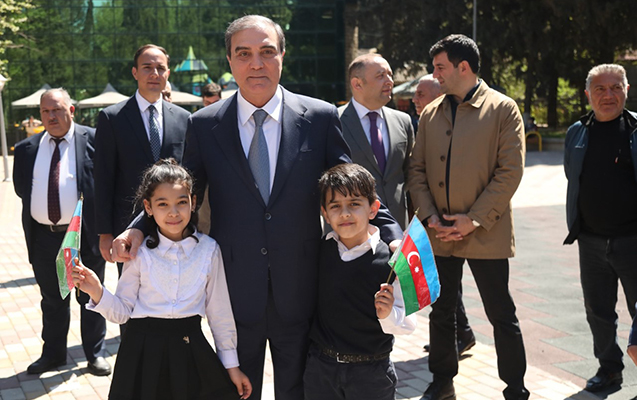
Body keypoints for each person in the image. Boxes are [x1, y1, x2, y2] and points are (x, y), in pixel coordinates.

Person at [112, 15, 403, 400]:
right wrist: (138, 228)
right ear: (230, 61)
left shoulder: (319, 117)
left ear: (282, 55)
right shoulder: (205, 124)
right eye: (244, 54)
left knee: (296, 392)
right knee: (239, 391)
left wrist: (394, 235)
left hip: (301, 288)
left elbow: (353, 185)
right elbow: (181, 188)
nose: (256, 64)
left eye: (267, 52)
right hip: (235, 290)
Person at [408, 34, 528, 400]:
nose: (435, 74)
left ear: (463, 67)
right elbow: (417, 170)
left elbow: (510, 172)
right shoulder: (431, 113)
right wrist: (431, 218)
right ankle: (442, 382)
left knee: (501, 313)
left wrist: (472, 220)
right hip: (439, 234)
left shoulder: (503, 109)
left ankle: (515, 389)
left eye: (440, 67)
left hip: (485, 232)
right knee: (441, 312)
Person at [72, 159, 251, 399]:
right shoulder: (139, 254)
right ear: (148, 207)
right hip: (141, 356)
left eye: (181, 202)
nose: (173, 212)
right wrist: (97, 290)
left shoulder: (209, 250)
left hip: (191, 354)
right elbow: (122, 312)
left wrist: (232, 365)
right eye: (163, 204)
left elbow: (220, 314)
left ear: (193, 202)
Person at [12, 88, 111, 376]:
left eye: (57, 109)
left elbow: (107, 185)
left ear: (71, 110)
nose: (51, 116)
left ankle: (95, 354)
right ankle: (53, 355)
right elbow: (22, 189)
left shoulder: (95, 140)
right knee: (52, 300)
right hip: (44, 237)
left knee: (90, 296)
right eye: (45, 111)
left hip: (84, 235)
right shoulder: (27, 148)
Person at [304, 163, 416, 400]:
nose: (345, 213)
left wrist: (387, 314)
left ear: (373, 209)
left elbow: (408, 324)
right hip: (322, 371)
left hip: (371, 374)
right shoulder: (319, 252)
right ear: (325, 213)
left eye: (354, 204)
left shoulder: (393, 261)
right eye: (335, 206)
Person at [564, 63, 636, 393]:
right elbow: (572, 175)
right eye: (600, 89)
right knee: (598, 311)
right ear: (587, 94)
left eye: (616, 87)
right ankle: (609, 369)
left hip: (633, 241)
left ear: (627, 90)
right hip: (591, 241)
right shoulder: (576, 132)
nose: (608, 95)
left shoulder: (635, 129)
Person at [94, 44, 190, 268]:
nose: (154, 73)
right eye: (147, 67)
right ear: (135, 72)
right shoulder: (112, 118)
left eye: (160, 68)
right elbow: (103, 178)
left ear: (168, 73)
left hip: (174, 227)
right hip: (127, 229)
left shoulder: (184, 119)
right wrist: (105, 233)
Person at [411, 75, 476, 358]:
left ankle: (462, 333)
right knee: (439, 282)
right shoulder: (419, 123)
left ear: (439, 96)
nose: (415, 100)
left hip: (447, 219)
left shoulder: (449, 126)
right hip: (424, 216)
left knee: (443, 282)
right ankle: (461, 333)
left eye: (421, 94)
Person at [338, 53, 415, 229]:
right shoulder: (333, 121)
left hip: (397, 227)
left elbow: (409, 172)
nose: (390, 81)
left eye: (390, 75)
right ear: (357, 84)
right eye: (381, 76)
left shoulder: (403, 121)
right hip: (350, 230)